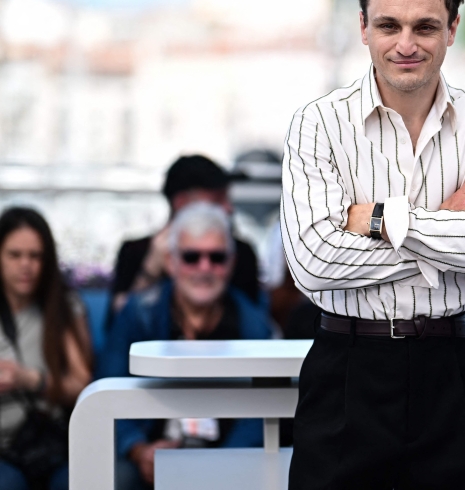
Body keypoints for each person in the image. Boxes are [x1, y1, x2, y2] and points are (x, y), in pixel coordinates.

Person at [281, 0, 465, 490]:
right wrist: (445, 226)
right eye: (389, 25)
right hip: (346, 369)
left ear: (453, 29)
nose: (406, 44)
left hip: (449, 368)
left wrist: (381, 220)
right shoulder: (317, 123)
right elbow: (314, 263)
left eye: (426, 26)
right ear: (363, 28)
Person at [100, 202, 273, 489]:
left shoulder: (252, 322)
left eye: (216, 257)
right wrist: (139, 449)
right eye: (191, 257)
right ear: (171, 262)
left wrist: (218, 465)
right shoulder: (139, 312)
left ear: (230, 263)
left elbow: (262, 411)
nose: (204, 268)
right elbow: (107, 387)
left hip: (229, 463)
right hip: (150, 459)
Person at [107, 155, 261, 326]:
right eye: (217, 200)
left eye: (217, 258)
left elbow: (253, 326)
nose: (229, 208)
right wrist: (150, 270)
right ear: (182, 203)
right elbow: (117, 326)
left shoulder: (241, 252)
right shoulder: (135, 251)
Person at [0, 207, 92, 490]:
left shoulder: (61, 306)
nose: (25, 265)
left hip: (49, 441)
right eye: (14, 255)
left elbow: (83, 385)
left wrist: (29, 379)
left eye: (35, 256)